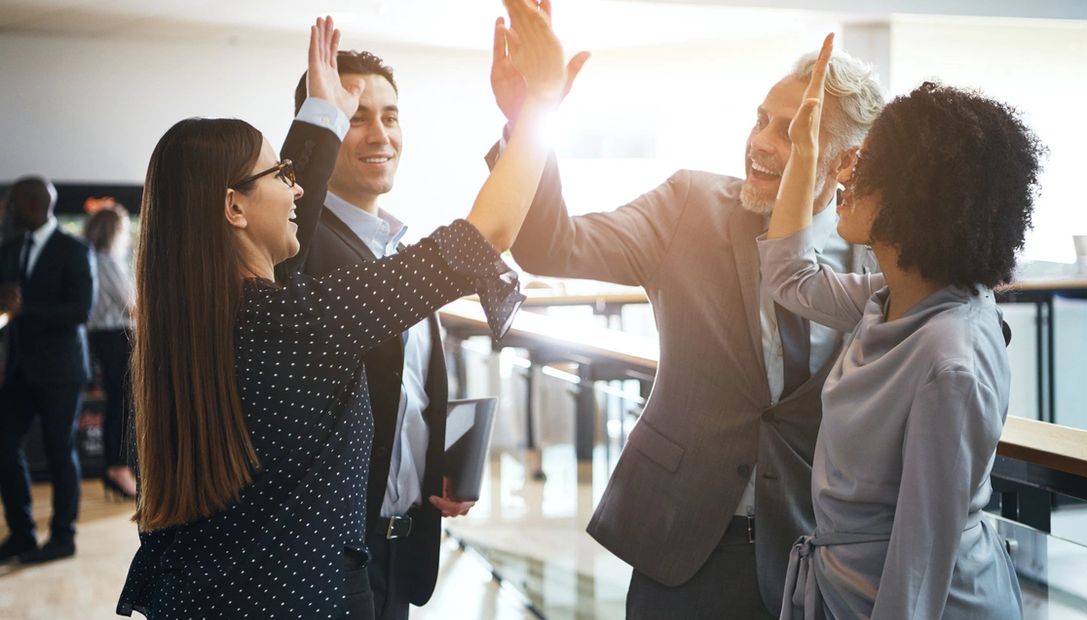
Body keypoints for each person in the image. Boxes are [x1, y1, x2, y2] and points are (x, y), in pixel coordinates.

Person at [117, 4, 566, 617]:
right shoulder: (297, 322)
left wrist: (324, 115)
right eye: (280, 173)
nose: (298, 187)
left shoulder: (183, 329)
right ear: (234, 209)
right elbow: (484, 235)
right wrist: (540, 105)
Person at [488, 16, 885, 617]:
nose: (762, 142)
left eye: (793, 130)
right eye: (761, 120)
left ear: (846, 162)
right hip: (685, 542)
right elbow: (549, 244)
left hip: (812, 556)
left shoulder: (878, 256)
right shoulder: (689, 205)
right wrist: (528, 122)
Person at [760, 36, 1037, 619]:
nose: (849, 175)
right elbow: (788, 276)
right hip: (846, 590)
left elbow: (919, 566)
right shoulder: (892, 297)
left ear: (918, 200)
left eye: (873, 167)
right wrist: (803, 149)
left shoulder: (948, 359)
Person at [280, 48, 473, 619]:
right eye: (356, 116)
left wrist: (436, 461)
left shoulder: (399, 244)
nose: (378, 134)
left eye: (389, 117)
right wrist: (318, 119)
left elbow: (405, 388)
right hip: (326, 557)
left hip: (399, 547)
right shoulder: (297, 244)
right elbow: (292, 223)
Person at [0, 176, 96, 564]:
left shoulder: (74, 249)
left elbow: (80, 311)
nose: (7, 209)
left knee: (60, 451)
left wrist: (26, 310)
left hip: (61, 369)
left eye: (11, 202)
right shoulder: (10, 248)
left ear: (31, 203)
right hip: (21, 367)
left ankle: (62, 538)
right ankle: (22, 534)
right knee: (4, 444)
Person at [83, 202, 138, 500]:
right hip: (117, 338)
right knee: (123, 404)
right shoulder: (108, 262)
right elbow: (132, 306)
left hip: (106, 338)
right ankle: (118, 469)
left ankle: (117, 469)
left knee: (119, 402)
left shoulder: (92, 259)